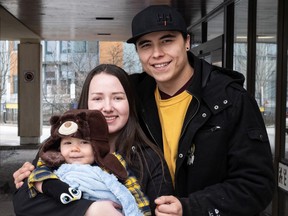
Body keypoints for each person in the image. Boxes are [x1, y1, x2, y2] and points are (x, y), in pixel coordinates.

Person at [14, 4, 275, 216]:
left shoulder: (229, 99)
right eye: (146, 45)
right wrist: (37, 178)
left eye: (167, 40)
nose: (157, 53)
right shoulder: (135, 92)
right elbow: (27, 198)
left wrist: (190, 207)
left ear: (187, 42)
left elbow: (257, 185)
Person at [13, 64, 173, 216]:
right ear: (86, 103)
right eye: (97, 98)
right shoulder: (58, 147)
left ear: (130, 103)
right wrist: (89, 210)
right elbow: (23, 204)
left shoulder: (150, 159)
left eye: (117, 98)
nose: (108, 107)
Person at [27, 109, 147, 216]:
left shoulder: (113, 163)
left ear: (97, 145)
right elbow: (37, 177)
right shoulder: (53, 165)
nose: (75, 149)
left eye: (84, 143)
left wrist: (143, 211)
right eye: (68, 143)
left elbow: (133, 189)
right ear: (59, 147)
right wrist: (51, 185)